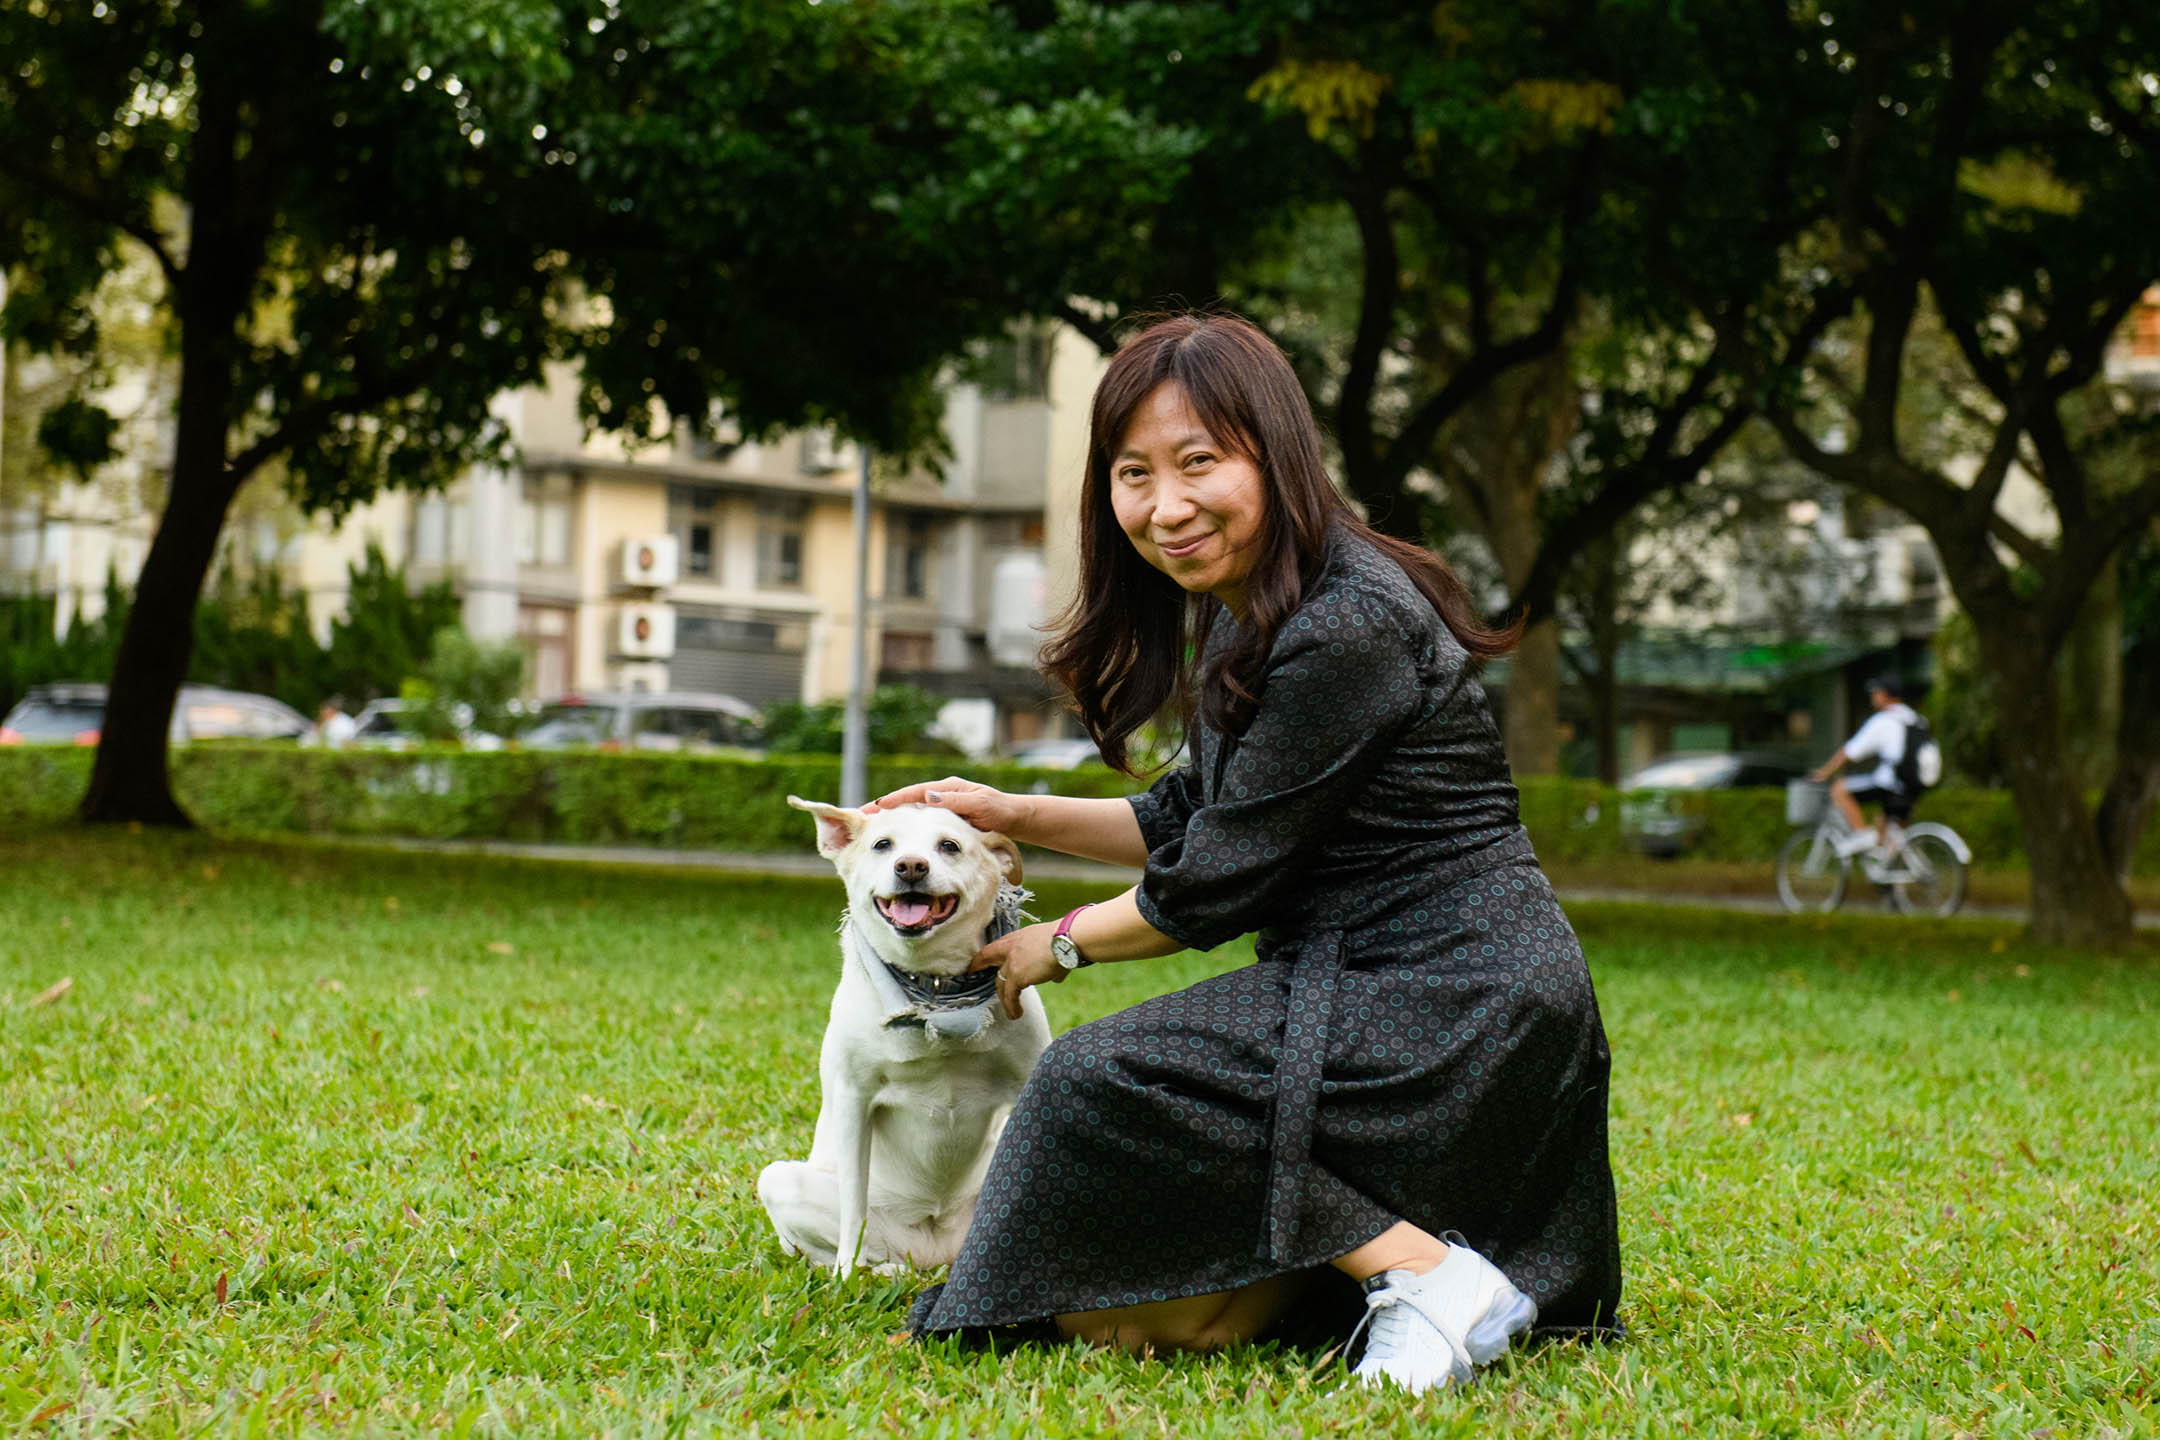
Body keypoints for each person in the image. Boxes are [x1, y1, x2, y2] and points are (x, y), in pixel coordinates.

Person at [871, 313, 1621, 1393]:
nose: (1165, 507)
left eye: (1199, 463)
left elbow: (1208, 887)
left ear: (1276, 454)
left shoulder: (1345, 624)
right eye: (1134, 473)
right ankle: (1397, 1275)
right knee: (1141, 1322)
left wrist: (1058, 945)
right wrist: (1008, 811)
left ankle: (1423, 1272)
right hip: (1368, 984)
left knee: (1097, 1078)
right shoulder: (1253, 606)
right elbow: (1191, 816)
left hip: (1457, 1002)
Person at [1809, 675, 1919, 855]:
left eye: (1875, 693)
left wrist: (1825, 772)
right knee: (1885, 828)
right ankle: (1888, 875)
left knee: (1839, 789)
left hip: (1890, 781)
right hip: (1914, 784)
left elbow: (1850, 751)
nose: (1872, 697)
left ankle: (1862, 835)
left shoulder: (1883, 720)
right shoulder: (1914, 718)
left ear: (1885, 695)